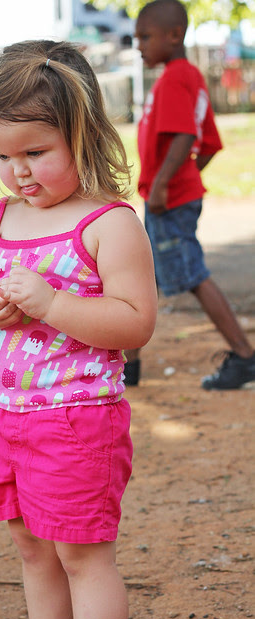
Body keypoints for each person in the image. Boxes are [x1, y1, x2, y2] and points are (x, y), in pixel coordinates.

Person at [0, 40, 157, 619]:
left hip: (78, 421)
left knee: (82, 557)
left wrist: (52, 305)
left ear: (82, 135)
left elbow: (136, 322)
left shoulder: (108, 223)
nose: (17, 171)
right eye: (1, 156)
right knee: (32, 550)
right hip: (6, 417)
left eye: (35, 152)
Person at [126, 0, 255, 390]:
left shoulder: (175, 78)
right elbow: (209, 143)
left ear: (174, 35)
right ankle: (128, 367)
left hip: (167, 200)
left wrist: (165, 184)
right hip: (170, 194)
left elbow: (185, 135)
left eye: (145, 37)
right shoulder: (188, 76)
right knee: (138, 272)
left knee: (192, 274)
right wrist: (181, 178)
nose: (138, 45)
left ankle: (245, 357)